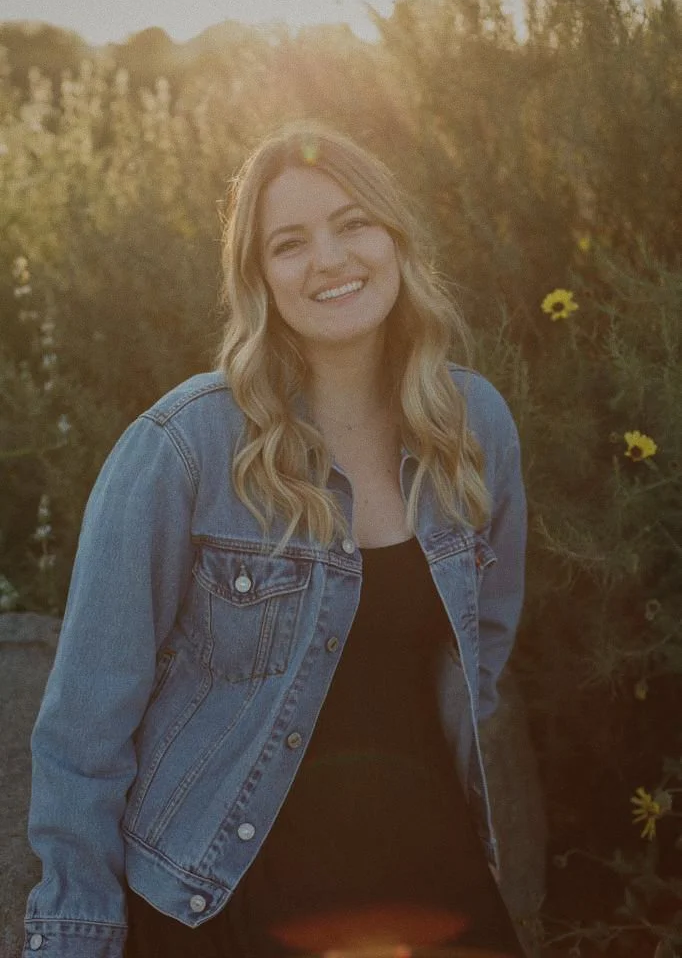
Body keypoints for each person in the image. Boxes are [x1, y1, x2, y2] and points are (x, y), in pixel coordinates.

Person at [23, 121, 528, 958]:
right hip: (222, 890)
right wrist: (76, 934)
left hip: (427, 873)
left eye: (353, 223)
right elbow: (84, 728)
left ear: (395, 240)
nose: (329, 259)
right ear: (258, 280)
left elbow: (484, 647)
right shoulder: (184, 446)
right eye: (289, 244)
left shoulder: (473, 428)